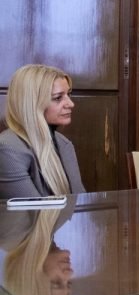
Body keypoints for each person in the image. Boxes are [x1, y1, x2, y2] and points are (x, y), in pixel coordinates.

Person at [0, 64, 85, 199]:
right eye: (58, 98)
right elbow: (35, 214)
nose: (70, 104)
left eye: (68, 94)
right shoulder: (7, 148)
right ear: (32, 103)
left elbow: (79, 202)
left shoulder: (64, 143)